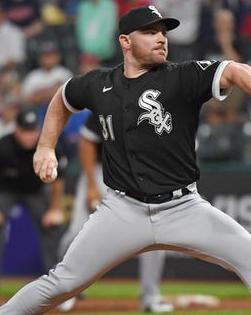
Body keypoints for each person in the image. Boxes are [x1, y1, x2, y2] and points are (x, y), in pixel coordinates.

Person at [0, 6, 251, 314]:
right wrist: (45, 146)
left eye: (163, 32)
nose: (161, 39)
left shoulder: (183, 77)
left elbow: (236, 71)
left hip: (183, 208)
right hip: (122, 210)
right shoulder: (99, 84)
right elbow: (63, 96)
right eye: (150, 32)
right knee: (62, 282)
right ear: (125, 41)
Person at [56, 113, 174, 313]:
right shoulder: (107, 98)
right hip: (101, 172)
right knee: (76, 233)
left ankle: (150, 297)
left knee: (155, 236)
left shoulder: (153, 106)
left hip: (137, 176)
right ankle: (64, 291)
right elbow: (86, 142)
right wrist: (92, 186)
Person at [0, 105, 68, 302]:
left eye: (33, 131)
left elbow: (59, 179)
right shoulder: (1, 148)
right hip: (6, 190)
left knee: (52, 226)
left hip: (35, 191)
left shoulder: (47, 145)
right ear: (17, 131)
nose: (30, 136)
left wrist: (55, 209)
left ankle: (66, 285)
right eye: (25, 131)